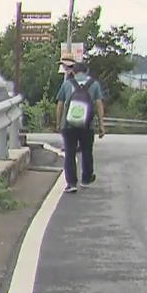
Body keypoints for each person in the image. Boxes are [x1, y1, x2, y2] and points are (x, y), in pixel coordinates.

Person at [54, 60, 106, 193]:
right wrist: (101, 125)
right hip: (87, 125)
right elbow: (99, 104)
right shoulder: (94, 84)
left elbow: (60, 104)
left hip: (69, 124)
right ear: (87, 71)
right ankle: (86, 178)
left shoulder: (67, 84)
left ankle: (71, 183)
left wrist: (58, 123)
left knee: (70, 153)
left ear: (73, 71)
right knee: (87, 151)